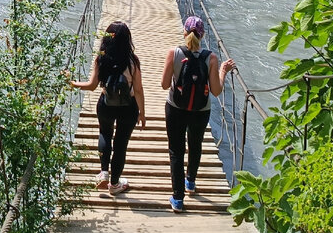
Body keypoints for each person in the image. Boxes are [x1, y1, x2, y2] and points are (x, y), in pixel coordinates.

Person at [161, 15, 234, 213]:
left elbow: (165, 84)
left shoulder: (174, 53)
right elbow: (216, 91)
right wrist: (223, 71)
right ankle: (190, 182)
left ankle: (177, 199)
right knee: (195, 145)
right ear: (202, 35)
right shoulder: (211, 58)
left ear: (184, 32)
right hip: (200, 111)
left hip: (175, 108)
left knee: (176, 151)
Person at [71, 21, 145, 195]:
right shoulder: (132, 61)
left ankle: (104, 172)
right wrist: (142, 113)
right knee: (121, 144)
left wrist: (73, 83)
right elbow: (139, 90)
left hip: (106, 104)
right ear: (128, 40)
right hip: (129, 106)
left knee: (105, 133)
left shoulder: (101, 58)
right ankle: (115, 184)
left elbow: (91, 85)